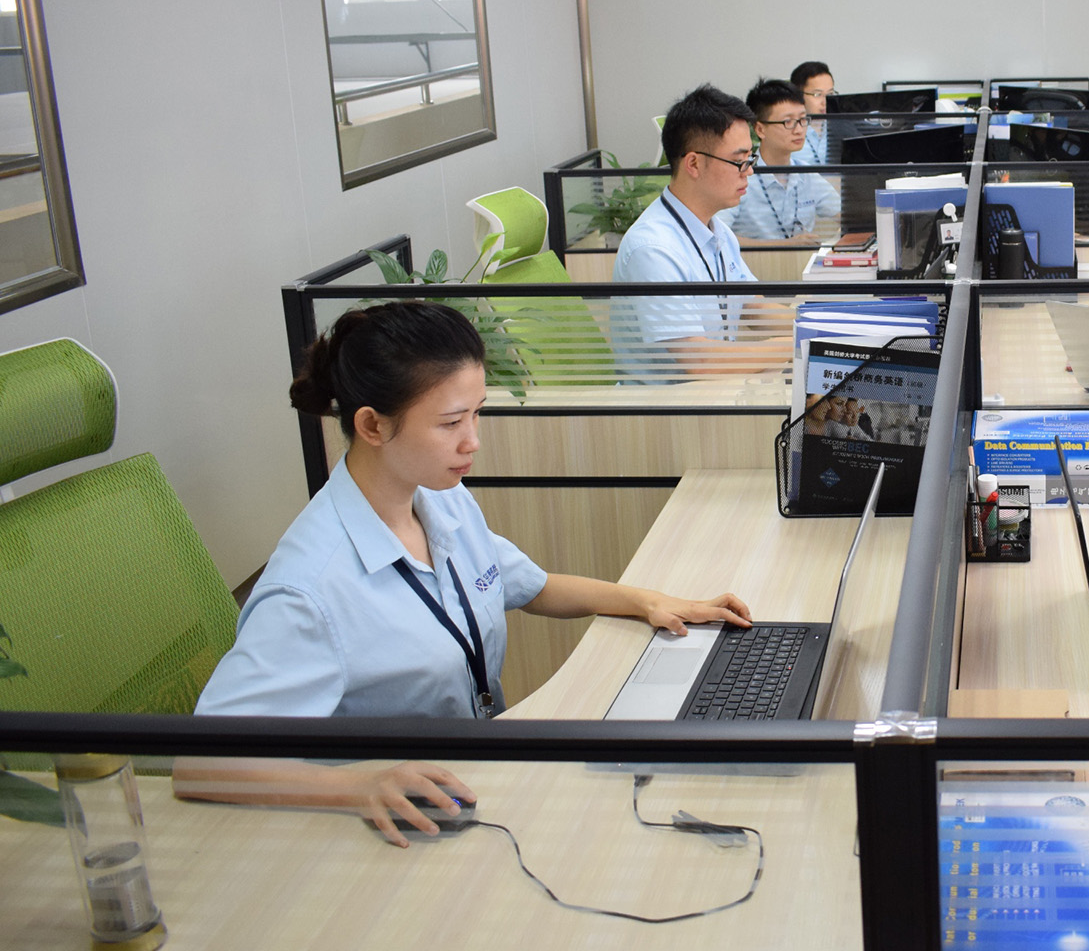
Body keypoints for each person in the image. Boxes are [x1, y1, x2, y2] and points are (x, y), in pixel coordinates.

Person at [184, 302, 753, 842]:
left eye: (477, 413)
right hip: (389, 827)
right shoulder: (309, 590)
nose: (473, 441)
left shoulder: (440, 499)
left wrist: (646, 601)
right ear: (373, 426)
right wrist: (357, 786)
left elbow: (532, 587)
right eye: (451, 422)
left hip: (474, 783)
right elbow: (203, 764)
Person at [611, 83, 790, 380]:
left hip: (712, 394)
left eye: (750, 159)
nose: (749, 171)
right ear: (693, 163)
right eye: (739, 161)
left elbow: (753, 308)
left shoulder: (718, 230)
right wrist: (789, 345)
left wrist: (824, 328)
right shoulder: (653, 248)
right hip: (666, 405)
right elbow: (699, 360)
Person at [719, 78, 842, 246]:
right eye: (788, 122)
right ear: (760, 129)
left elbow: (844, 215)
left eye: (802, 120)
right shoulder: (741, 176)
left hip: (802, 262)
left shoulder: (806, 173)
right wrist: (784, 245)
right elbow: (719, 236)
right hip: (755, 262)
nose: (799, 130)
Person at [790, 60, 834, 166]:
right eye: (817, 95)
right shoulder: (789, 132)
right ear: (798, 96)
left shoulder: (840, 129)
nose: (825, 102)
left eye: (830, 94)